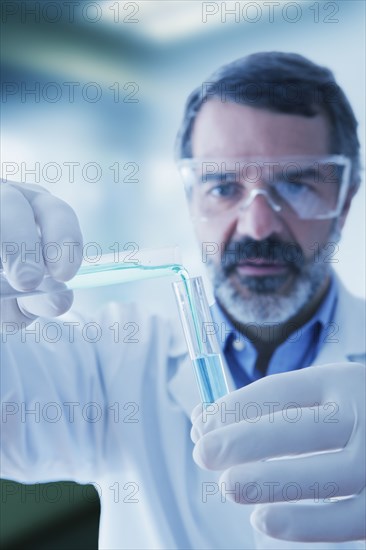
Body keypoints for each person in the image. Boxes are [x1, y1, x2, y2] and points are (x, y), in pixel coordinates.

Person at [1, 52, 365, 549]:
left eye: (296, 185)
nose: (257, 226)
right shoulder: (111, 358)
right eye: (223, 186)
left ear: (343, 203)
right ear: (193, 200)